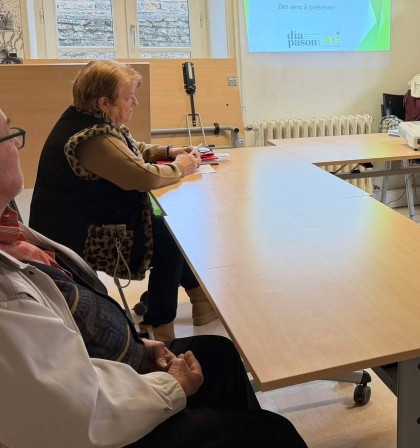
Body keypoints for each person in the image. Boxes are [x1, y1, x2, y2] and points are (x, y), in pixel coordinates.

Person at [0, 109, 308, 448]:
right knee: (272, 432)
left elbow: (135, 148)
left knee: (217, 352)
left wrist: (135, 344)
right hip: (95, 239)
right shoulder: (92, 138)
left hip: (111, 366)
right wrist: (173, 386)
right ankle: (164, 320)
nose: (17, 143)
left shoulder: (97, 129)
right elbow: (75, 415)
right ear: (105, 101)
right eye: (8, 135)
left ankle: (187, 310)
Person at [29, 60, 215, 341]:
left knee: (169, 234)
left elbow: (129, 148)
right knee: (170, 240)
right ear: (104, 103)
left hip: (85, 222)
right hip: (80, 238)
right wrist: (181, 167)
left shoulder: (86, 120)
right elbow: (142, 177)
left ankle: (200, 301)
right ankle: (161, 328)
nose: (135, 103)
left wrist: (167, 151)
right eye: (129, 97)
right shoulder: (91, 139)